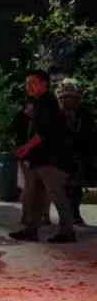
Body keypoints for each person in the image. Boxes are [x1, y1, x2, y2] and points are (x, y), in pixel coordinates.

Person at [11, 69, 77, 243]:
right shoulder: (38, 102)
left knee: (56, 195)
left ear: (44, 84)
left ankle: (67, 231)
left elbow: (43, 132)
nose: (28, 86)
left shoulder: (48, 102)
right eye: (27, 83)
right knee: (34, 195)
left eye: (32, 82)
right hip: (39, 157)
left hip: (49, 158)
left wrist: (25, 148)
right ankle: (31, 229)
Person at [57, 79, 92, 226]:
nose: (68, 100)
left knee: (76, 186)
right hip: (61, 155)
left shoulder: (84, 113)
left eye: (71, 97)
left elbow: (88, 133)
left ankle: (75, 213)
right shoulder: (56, 114)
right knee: (61, 188)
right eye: (65, 97)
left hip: (78, 154)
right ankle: (64, 216)